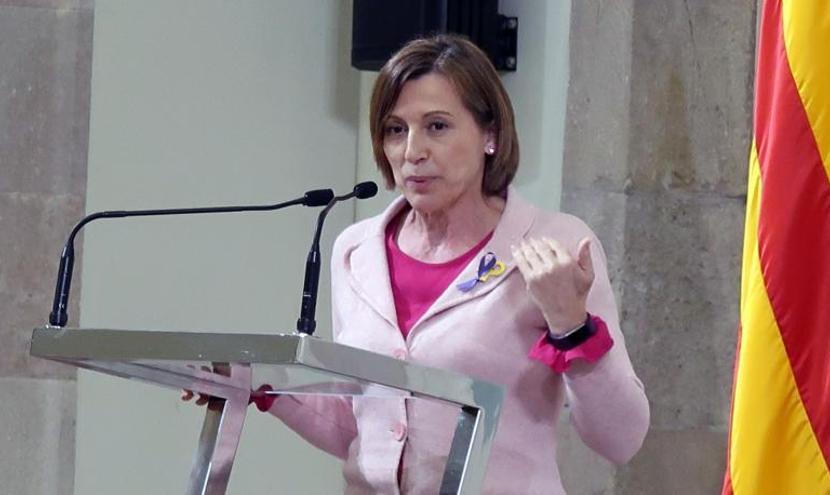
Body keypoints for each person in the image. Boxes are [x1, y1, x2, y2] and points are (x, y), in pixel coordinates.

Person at [188, 34, 649, 494]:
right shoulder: (356, 251)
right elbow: (360, 427)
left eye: (437, 126)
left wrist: (572, 326)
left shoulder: (558, 245)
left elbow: (621, 439)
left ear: (490, 134)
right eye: (395, 129)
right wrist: (254, 382)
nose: (412, 151)